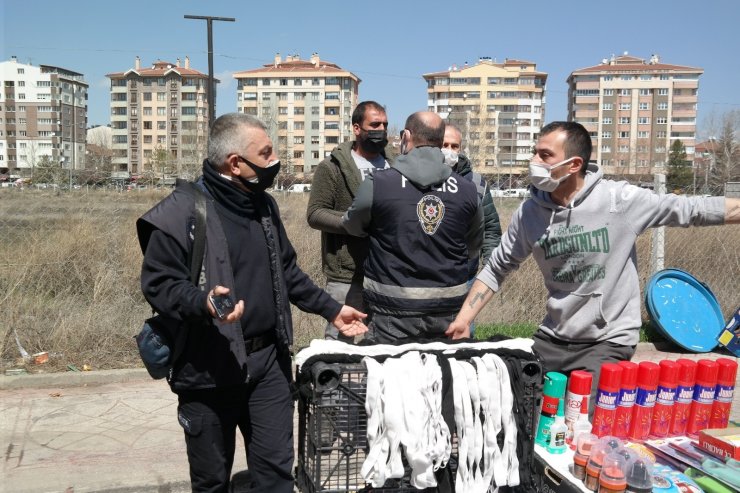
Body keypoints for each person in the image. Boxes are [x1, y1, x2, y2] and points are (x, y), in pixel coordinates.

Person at [137, 113, 367, 493]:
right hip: (207, 370)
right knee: (212, 481)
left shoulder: (264, 207)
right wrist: (203, 302)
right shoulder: (181, 212)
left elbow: (287, 273)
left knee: (276, 476)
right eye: (266, 152)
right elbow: (160, 285)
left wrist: (333, 309)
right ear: (235, 163)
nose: (275, 159)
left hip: (268, 369)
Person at [446, 120, 740, 402]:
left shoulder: (618, 200)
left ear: (574, 165)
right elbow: (497, 268)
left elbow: (691, 209)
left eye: (545, 155)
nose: (534, 161)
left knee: (581, 417)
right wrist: (463, 320)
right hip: (554, 336)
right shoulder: (529, 214)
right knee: (524, 406)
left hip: (607, 340)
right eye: (535, 152)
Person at [343, 111, 484, 343]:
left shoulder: (379, 183)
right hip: (448, 309)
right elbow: (473, 244)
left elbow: (353, 225)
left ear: (406, 136)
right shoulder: (467, 190)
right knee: (442, 376)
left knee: (393, 375)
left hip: (391, 309)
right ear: (440, 143)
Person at [307, 101, 391, 343]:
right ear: (356, 128)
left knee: (378, 343)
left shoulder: (395, 166)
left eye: (384, 125)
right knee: (341, 342)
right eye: (374, 125)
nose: (381, 130)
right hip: (347, 274)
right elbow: (315, 213)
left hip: (386, 273)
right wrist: (349, 222)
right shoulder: (333, 167)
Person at [442, 124, 503, 336]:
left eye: (454, 146)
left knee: (463, 336)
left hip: (465, 275)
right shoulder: (420, 180)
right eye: (444, 145)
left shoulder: (476, 183)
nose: (449, 150)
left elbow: (491, 228)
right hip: (429, 277)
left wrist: (487, 269)